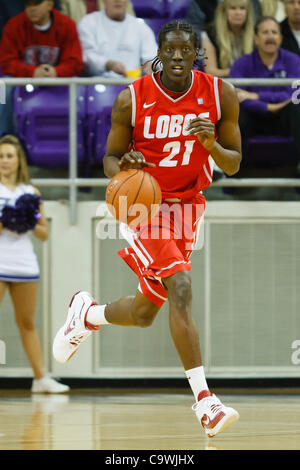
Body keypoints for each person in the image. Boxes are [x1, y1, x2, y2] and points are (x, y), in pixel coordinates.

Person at [53, 21, 242, 437]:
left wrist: (211, 145)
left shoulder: (218, 94)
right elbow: (108, 158)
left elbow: (234, 164)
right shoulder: (132, 99)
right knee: (181, 287)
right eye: (169, 50)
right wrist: (124, 168)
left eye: (185, 50)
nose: (177, 57)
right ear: (160, 51)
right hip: (144, 205)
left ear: (197, 53)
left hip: (188, 206)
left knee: (144, 312)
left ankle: (88, 314)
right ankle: (205, 402)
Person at [0, 135, 69, 393]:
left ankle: (40, 379)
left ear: (19, 161)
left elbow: (43, 233)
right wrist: (6, 220)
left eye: (10, 156)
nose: (5, 161)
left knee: (27, 323)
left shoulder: (31, 193)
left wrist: (29, 219)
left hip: (24, 264)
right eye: (1, 156)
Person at [0, 0, 83, 137]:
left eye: (37, 4)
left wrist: (57, 72)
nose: (32, 9)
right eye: (28, 5)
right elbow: (6, 62)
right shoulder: (14, 25)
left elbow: (75, 62)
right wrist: (32, 72)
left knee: (81, 87)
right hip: (24, 79)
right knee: (2, 87)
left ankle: (77, 142)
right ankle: (5, 139)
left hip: (58, 79)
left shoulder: (66, 24)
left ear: (50, 5)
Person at [229, 16, 300, 168]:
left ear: (280, 38)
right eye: (265, 32)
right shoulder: (242, 63)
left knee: (298, 107)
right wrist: (268, 107)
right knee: (232, 111)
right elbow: (236, 96)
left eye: (274, 33)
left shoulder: (294, 61)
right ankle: (232, 173)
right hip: (253, 119)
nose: (270, 37)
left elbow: (294, 95)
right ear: (256, 38)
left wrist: (256, 96)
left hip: (285, 118)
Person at [77, 0, 157, 78]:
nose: (118, 1)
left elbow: (153, 58)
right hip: (97, 83)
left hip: (133, 85)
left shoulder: (141, 27)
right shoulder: (88, 22)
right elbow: (86, 56)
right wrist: (107, 64)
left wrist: (150, 65)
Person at [201, 0, 255, 78]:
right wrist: (238, 71)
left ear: (248, 13)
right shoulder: (210, 33)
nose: (238, 12)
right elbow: (211, 72)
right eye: (233, 8)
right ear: (224, 12)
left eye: (242, 8)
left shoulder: (256, 33)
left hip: (250, 85)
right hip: (223, 84)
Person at [59, 0, 136, 23]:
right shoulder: (67, 2)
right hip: (80, 47)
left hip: (114, 45)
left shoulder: (120, 1)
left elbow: (131, 27)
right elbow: (65, 30)